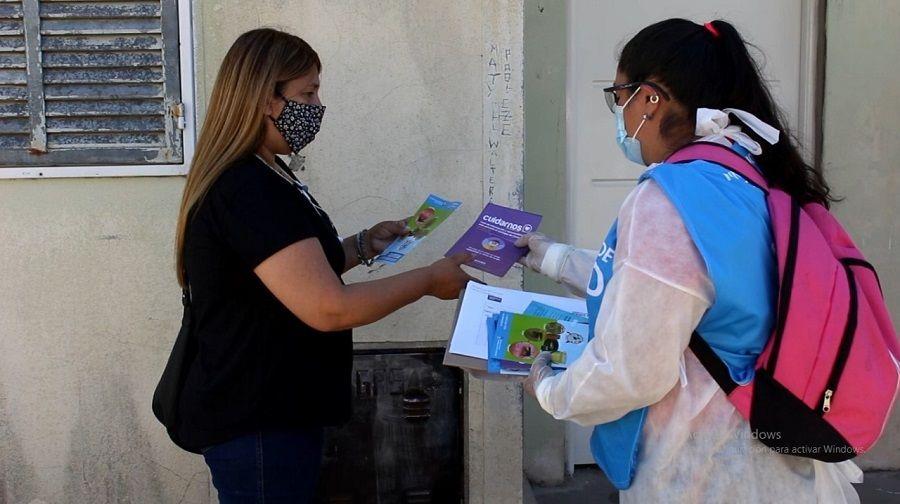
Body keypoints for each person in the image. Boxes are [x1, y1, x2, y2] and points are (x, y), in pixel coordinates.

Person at [517, 19, 862, 503]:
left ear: (650, 98)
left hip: (706, 468)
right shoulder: (742, 175)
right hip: (777, 459)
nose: (620, 113)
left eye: (620, 96)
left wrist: (552, 389)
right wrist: (552, 257)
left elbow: (632, 371)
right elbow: (666, 284)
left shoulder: (669, 196)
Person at [171, 28, 474, 503]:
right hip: (258, 423)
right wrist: (428, 280)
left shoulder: (270, 171)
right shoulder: (246, 188)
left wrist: (364, 244)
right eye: (307, 93)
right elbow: (328, 307)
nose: (316, 106)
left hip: (278, 412)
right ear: (267, 100)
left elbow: (294, 270)